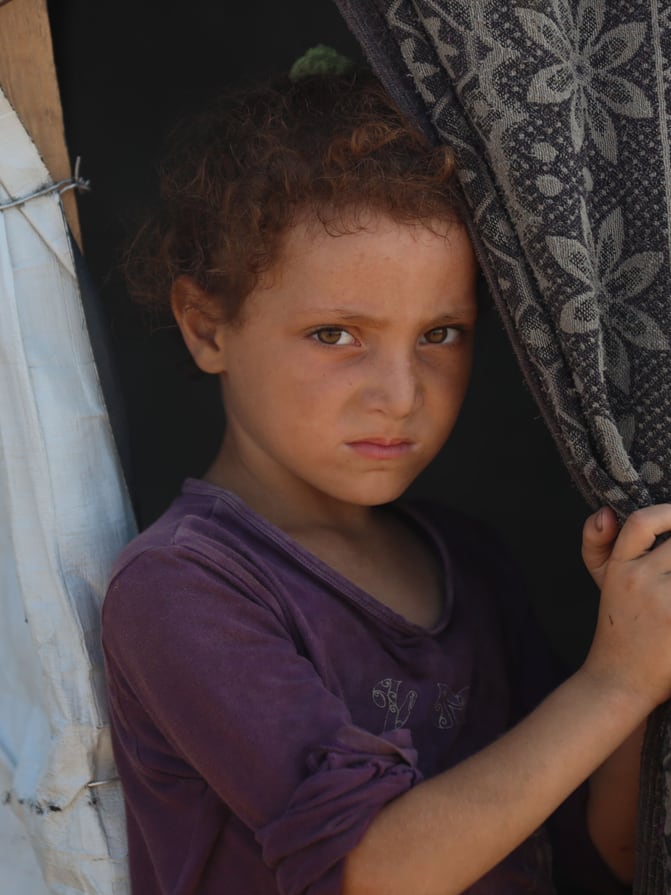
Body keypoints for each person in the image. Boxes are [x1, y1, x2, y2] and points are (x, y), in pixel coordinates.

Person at [102, 55, 671, 895]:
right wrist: (615, 682)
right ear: (207, 325)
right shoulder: (185, 589)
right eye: (335, 334)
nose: (400, 397)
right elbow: (368, 871)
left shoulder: (466, 561)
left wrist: (640, 645)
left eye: (440, 334)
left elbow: (606, 852)